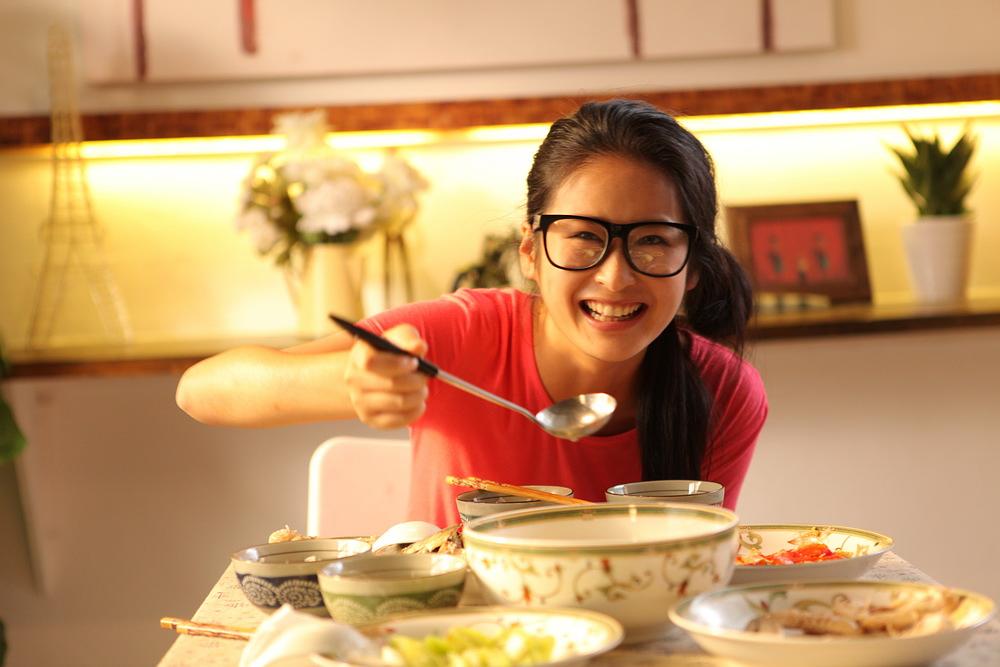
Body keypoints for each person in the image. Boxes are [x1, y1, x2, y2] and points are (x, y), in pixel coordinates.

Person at [176, 99, 768, 527]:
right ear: (531, 251)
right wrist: (351, 383)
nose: (615, 276)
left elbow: (694, 571)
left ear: (694, 265)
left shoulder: (725, 392)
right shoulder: (464, 336)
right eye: (585, 237)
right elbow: (202, 392)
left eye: (653, 241)